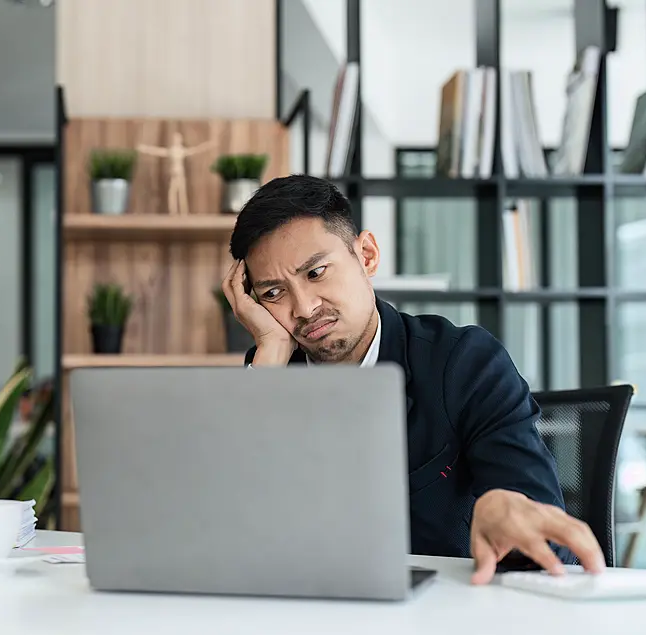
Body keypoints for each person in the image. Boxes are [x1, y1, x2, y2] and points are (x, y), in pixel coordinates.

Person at [221, 174, 605, 585]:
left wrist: (504, 508)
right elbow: (224, 526)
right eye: (274, 293)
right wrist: (270, 352)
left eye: (316, 272)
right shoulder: (271, 372)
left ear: (366, 255)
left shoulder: (464, 363)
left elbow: (548, 545)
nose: (304, 307)